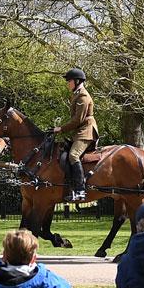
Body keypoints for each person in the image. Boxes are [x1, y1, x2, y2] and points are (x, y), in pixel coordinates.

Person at [54, 68, 97, 201]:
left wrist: (61, 129)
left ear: (77, 81)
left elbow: (77, 120)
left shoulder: (83, 96)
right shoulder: (76, 95)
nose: (68, 83)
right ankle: (71, 186)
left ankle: (80, 190)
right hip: (79, 132)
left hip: (86, 132)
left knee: (73, 155)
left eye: (69, 81)